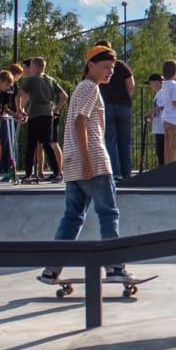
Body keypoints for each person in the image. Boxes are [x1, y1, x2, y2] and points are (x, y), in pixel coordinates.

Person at [39, 45, 133, 284]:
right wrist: (88, 158)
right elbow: (80, 122)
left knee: (72, 217)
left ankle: (51, 269)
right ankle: (114, 267)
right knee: (109, 213)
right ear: (90, 65)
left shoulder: (81, 89)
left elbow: (73, 124)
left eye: (111, 69)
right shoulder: (90, 88)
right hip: (94, 162)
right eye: (105, 68)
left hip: (72, 164)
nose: (109, 73)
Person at [16, 57, 67, 182]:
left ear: (35, 67)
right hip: (48, 114)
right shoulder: (51, 80)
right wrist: (56, 109)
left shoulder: (31, 80)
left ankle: (28, 174)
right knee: (47, 143)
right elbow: (64, 96)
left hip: (35, 113)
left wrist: (19, 109)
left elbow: (19, 96)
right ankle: (57, 173)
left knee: (31, 145)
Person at [96, 39, 134, 179]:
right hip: (123, 105)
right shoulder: (121, 65)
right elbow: (131, 85)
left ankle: (116, 172)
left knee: (111, 140)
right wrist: (126, 99)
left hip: (107, 105)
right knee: (125, 140)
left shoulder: (98, 66)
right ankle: (126, 172)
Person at [158, 60, 176, 163]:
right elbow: (175, 103)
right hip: (175, 119)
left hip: (166, 118)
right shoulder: (174, 85)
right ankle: (171, 172)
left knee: (168, 149)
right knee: (175, 151)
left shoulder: (165, 84)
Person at [144, 73, 165, 167]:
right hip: (158, 127)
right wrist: (151, 115)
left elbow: (162, 106)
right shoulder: (158, 93)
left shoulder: (163, 91)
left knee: (161, 151)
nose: (150, 86)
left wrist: (149, 112)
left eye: (151, 84)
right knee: (159, 151)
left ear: (157, 82)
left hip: (162, 128)